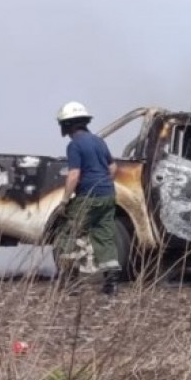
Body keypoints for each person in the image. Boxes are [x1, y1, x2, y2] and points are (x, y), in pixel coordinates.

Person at [54, 101, 120, 295]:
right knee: (105, 237)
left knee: (68, 235)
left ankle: (71, 283)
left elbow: (74, 174)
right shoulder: (99, 141)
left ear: (67, 125)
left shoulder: (74, 145)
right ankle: (112, 282)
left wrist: (65, 201)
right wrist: (104, 183)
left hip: (87, 197)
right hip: (108, 195)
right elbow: (113, 167)